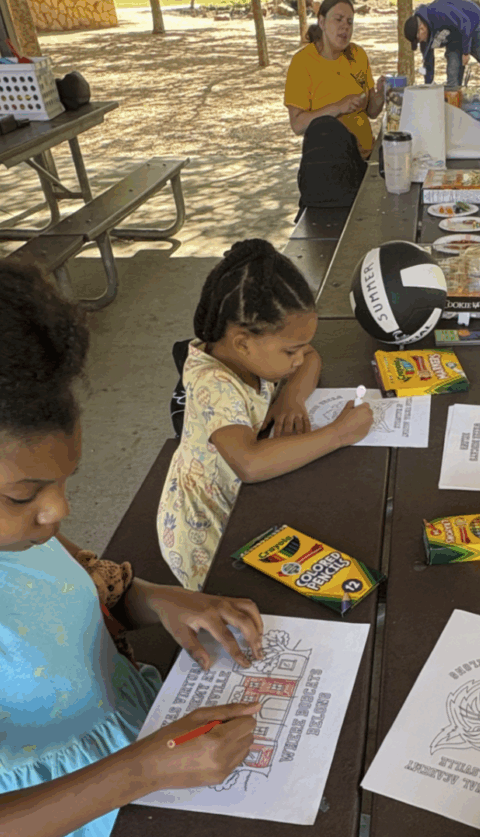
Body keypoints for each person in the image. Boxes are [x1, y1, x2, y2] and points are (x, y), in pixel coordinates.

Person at [0, 258, 266, 837]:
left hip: (150, 738)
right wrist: (144, 771)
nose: (57, 511)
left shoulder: (20, 530)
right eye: (26, 494)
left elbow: (75, 579)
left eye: (63, 483)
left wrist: (158, 601)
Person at [157, 238, 372, 592]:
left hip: (244, 500)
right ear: (243, 342)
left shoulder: (251, 353)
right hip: (208, 536)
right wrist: (340, 433)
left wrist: (291, 397)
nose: (299, 360)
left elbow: (313, 359)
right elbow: (250, 464)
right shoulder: (213, 381)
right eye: (291, 351)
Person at [284, 0, 385, 210]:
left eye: (350, 21)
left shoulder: (357, 55)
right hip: (331, 168)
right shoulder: (303, 63)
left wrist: (381, 95)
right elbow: (297, 124)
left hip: (367, 158)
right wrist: (337, 107)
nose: (345, 27)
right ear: (321, 22)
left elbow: (372, 112)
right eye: (338, 19)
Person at [404, 0, 480, 90]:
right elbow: (428, 64)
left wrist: (466, 52)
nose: (419, 41)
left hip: (474, 24)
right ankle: (455, 101)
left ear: (422, 29)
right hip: (454, 38)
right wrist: (427, 87)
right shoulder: (424, 41)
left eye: (418, 39)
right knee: (453, 75)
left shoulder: (438, 12)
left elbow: (465, 23)